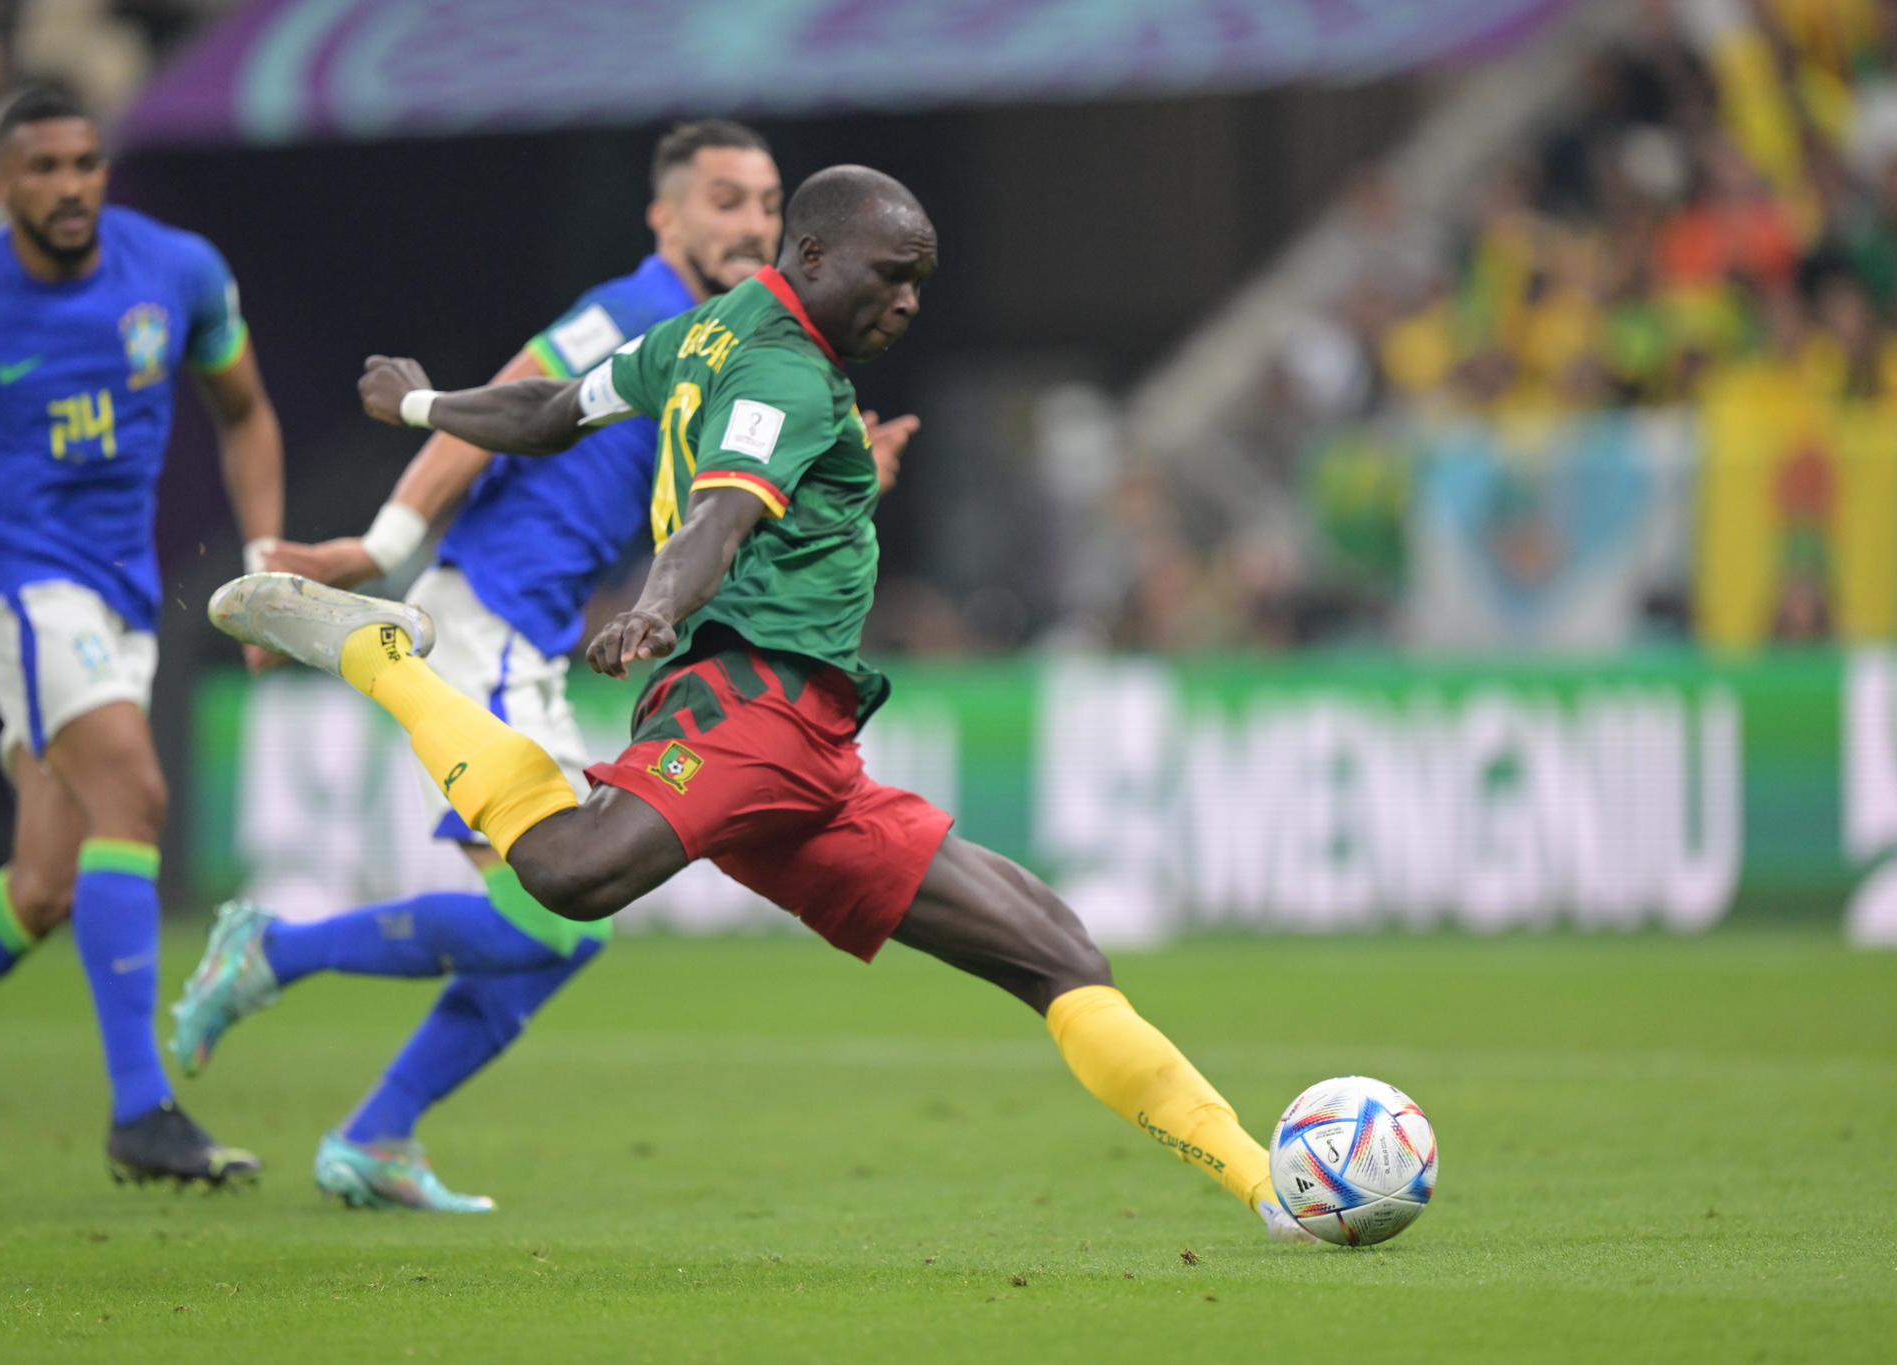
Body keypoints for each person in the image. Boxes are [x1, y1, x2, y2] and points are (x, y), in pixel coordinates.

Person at [194, 165, 1314, 1242]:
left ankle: (1270, 1187)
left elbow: (548, 414)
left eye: (918, 278)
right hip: (747, 706)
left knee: (1054, 952)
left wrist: (422, 402)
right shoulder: (781, 373)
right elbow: (719, 517)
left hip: (815, 753)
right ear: (815, 255)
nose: (908, 300)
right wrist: (660, 608)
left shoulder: (710, 331)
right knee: (571, 875)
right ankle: (387, 660)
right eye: (891, 274)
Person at [171, 121, 911, 1213]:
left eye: (763, 203)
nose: (748, 223)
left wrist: (849, 484)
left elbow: (735, 501)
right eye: (722, 201)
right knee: (556, 912)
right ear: (664, 217)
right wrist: (381, 545)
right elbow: (506, 407)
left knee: (558, 934)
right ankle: (277, 951)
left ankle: (375, 1131)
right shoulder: (633, 308)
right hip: (487, 618)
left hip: (533, 631)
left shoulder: (745, 336)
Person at [0, 87, 281, 1185]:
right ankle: (141, 1112)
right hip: (14, 584)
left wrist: (268, 557)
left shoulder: (177, 271)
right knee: (132, 792)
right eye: (43, 168)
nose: (71, 186)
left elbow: (244, 411)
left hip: (119, 596)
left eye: (86, 163)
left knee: (41, 886)